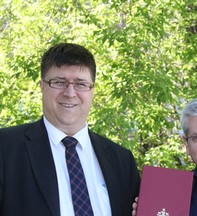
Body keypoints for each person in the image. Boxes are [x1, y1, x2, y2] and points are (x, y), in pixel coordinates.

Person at [0, 43, 140, 216]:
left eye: (81, 84)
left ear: (92, 90)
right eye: (59, 82)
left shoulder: (121, 161)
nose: (70, 93)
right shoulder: (5, 149)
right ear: (42, 86)